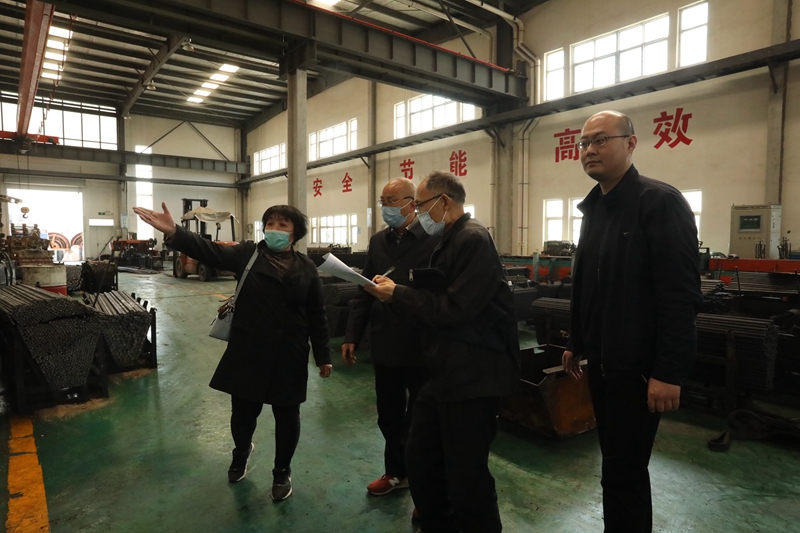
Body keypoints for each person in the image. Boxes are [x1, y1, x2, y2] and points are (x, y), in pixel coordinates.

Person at [133, 202, 332, 502]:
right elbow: (210, 251)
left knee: (287, 416)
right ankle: (241, 452)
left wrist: (324, 355)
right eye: (270, 223)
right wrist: (175, 232)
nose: (274, 230)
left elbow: (317, 314)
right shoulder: (248, 254)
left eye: (283, 225)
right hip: (249, 350)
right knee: (243, 413)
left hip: (289, 353)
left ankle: (282, 471)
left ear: (296, 232)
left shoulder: (307, 268)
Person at [561, 111, 702, 532]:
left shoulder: (659, 203)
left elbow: (679, 295)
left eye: (600, 140)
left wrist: (668, 372)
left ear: (631, 143)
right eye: (584, 143)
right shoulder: (595, 209)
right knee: (615, 466)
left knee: (625, 471)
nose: (589, 150)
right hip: (603, 365)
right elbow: (588, 284)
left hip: (637, 371)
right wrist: (576, 340)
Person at [366, 171, 520, 533]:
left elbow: (455, 308)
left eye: (420, 206)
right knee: (421, 458)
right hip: (445, 372)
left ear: (444, 201)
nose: (417, 213)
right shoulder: (449, 239)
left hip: (474, 375)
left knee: (467, 476)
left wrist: (398, 294)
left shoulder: (472, 239)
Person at [342, 177, 438, 496]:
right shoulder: (378, 241)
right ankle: (397, 473)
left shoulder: (434, 239)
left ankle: (425, 485)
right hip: (386, 344)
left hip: (422, 345)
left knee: (422, 419)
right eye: (383, 202)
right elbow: (364, 290)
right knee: (389, 416)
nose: (386, 207)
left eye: (392, 201)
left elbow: (440, 294)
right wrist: (352, 335)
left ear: (412, 204)